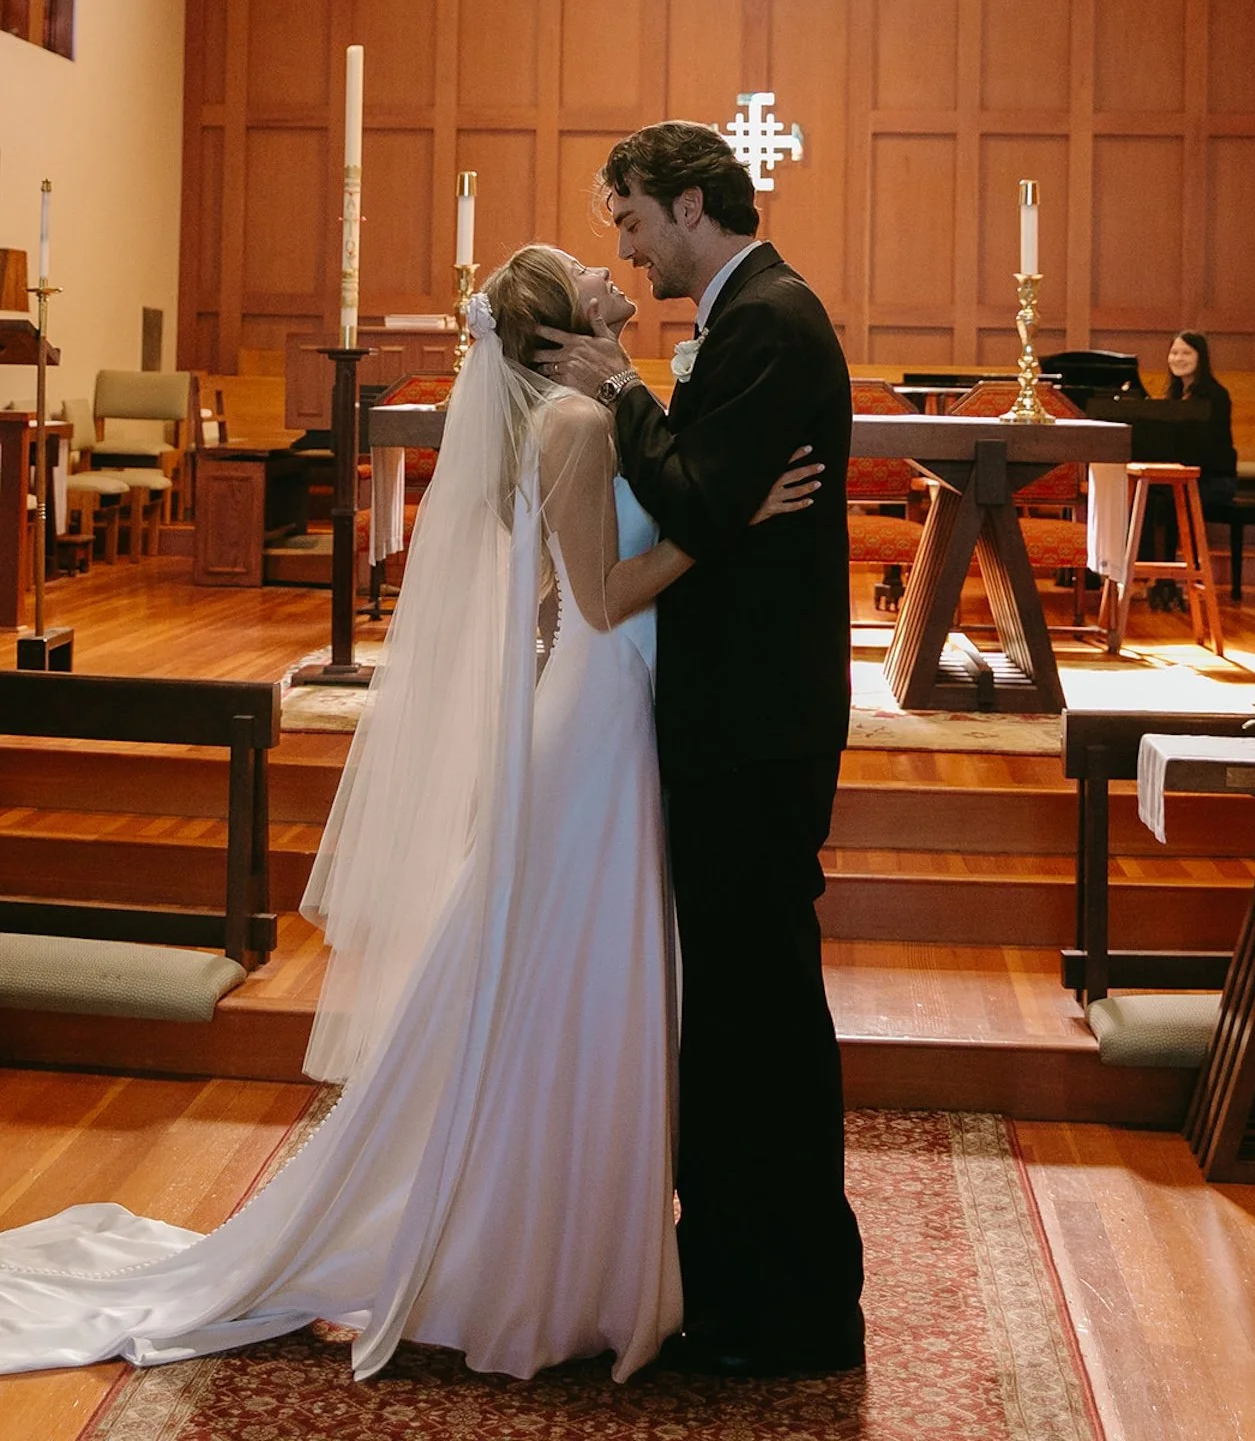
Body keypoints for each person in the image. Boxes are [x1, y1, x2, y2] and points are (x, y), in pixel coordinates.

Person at [0, 244, 812, 1384]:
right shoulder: (577, 427)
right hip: (599, 719)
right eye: (589, 279)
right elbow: (600, 593)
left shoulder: (590, 418)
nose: (609, 273)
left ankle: (550, 1238)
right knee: (567, 966)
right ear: (557, 331)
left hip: (599, 708)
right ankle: (527, 1257)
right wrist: (726, 521)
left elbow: (545, 592)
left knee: (569, 968)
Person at [537, 121, 865, 1378]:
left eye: (629, 221)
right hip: (740, 720)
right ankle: (748, 1281)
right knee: (738, 1013)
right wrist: (701, 479)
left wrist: (619, 389)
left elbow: (686, 494)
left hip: (752, 731)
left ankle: (780, 1308)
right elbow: (707, 500)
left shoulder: (769, 321)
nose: (622, 248)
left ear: (687, 205)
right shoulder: (745, 319)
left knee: (754, 1018)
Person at [1145, 331, 1237, 608]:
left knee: (1173, 502)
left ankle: (1177, 582)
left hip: (1215, 479)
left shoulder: (1215, 395)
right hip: (1185, 478)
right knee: (1152, 500)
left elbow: (1210, 449)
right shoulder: (1173, 395)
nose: (1178, 359)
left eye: (1186, 353)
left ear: (1200, 357)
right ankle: (1160, 580)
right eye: (1174, 353)